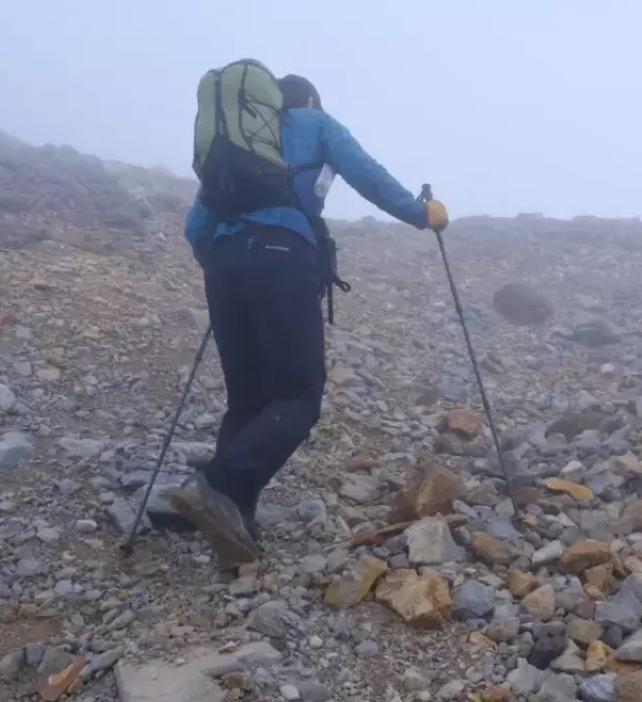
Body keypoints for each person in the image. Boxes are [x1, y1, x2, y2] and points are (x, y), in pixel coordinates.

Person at [167, 74, 449, 565]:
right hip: (281, 256)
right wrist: (421, 213)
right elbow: (367, 174)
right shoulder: (315, 122)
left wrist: (230, 261)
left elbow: (196, 227)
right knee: (298, 395)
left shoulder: (235, 149)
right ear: (310, 101)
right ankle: (216, 485)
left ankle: (233, 524)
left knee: (247, 402)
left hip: (224, 269)